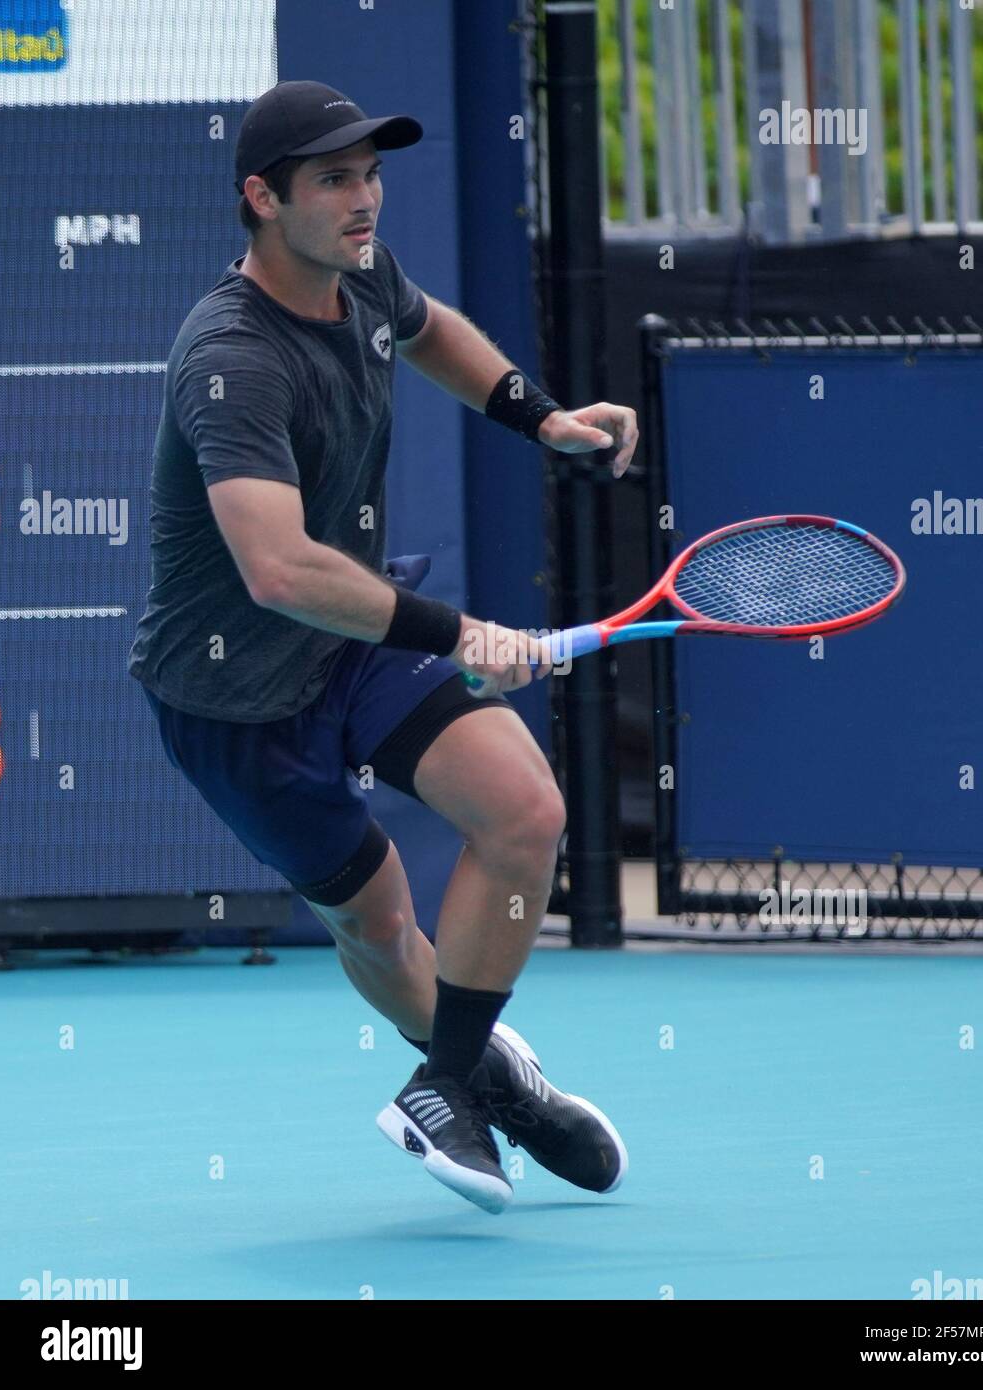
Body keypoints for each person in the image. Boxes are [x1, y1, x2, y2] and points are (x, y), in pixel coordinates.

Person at [128, 81, 637, 1214]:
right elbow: (279, 569)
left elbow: (428, 327)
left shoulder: (362, 272)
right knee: (375, 916)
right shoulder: (232, 356)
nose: (364, 201)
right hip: (232, 700)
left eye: (370, 174)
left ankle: (447, 1077)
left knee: (525, 810)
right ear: (261, 199)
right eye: (333, 180)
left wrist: (536, 413)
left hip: (350, 649)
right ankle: (489, 1073)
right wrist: (465, 634)